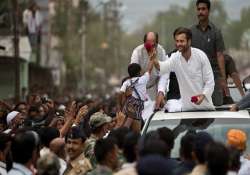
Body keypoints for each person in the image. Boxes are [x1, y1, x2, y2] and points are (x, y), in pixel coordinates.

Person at [154, 27, 215, 111]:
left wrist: (203, 95)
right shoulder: (175, 57)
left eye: (181, 41)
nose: (179, 44)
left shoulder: (201, 56)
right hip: (187, 109)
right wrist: (153, 59)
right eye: (177, 41)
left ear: (189, 41)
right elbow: (162, 67)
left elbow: (210, 81)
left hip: (205, 108)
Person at [191, 0, 228, 106]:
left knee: (216, 105)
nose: (200, 12)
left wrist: (223, 79)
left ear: (208, 11)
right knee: (196, 107)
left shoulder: (216, 31)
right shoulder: (191, 31)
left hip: (214, 76)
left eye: (203, 9)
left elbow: (220, 55)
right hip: (196, 77)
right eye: (198, 9)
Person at [119, 55, 154, 132]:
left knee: (128, 121)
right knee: (134, 125)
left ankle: (125, 133)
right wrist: (152, 59)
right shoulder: (143, 79)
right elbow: (149, 69)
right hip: (137, 105)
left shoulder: (127, 82)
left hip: (128, 104)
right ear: (139, 72)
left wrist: (121, 106)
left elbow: (120, 93)